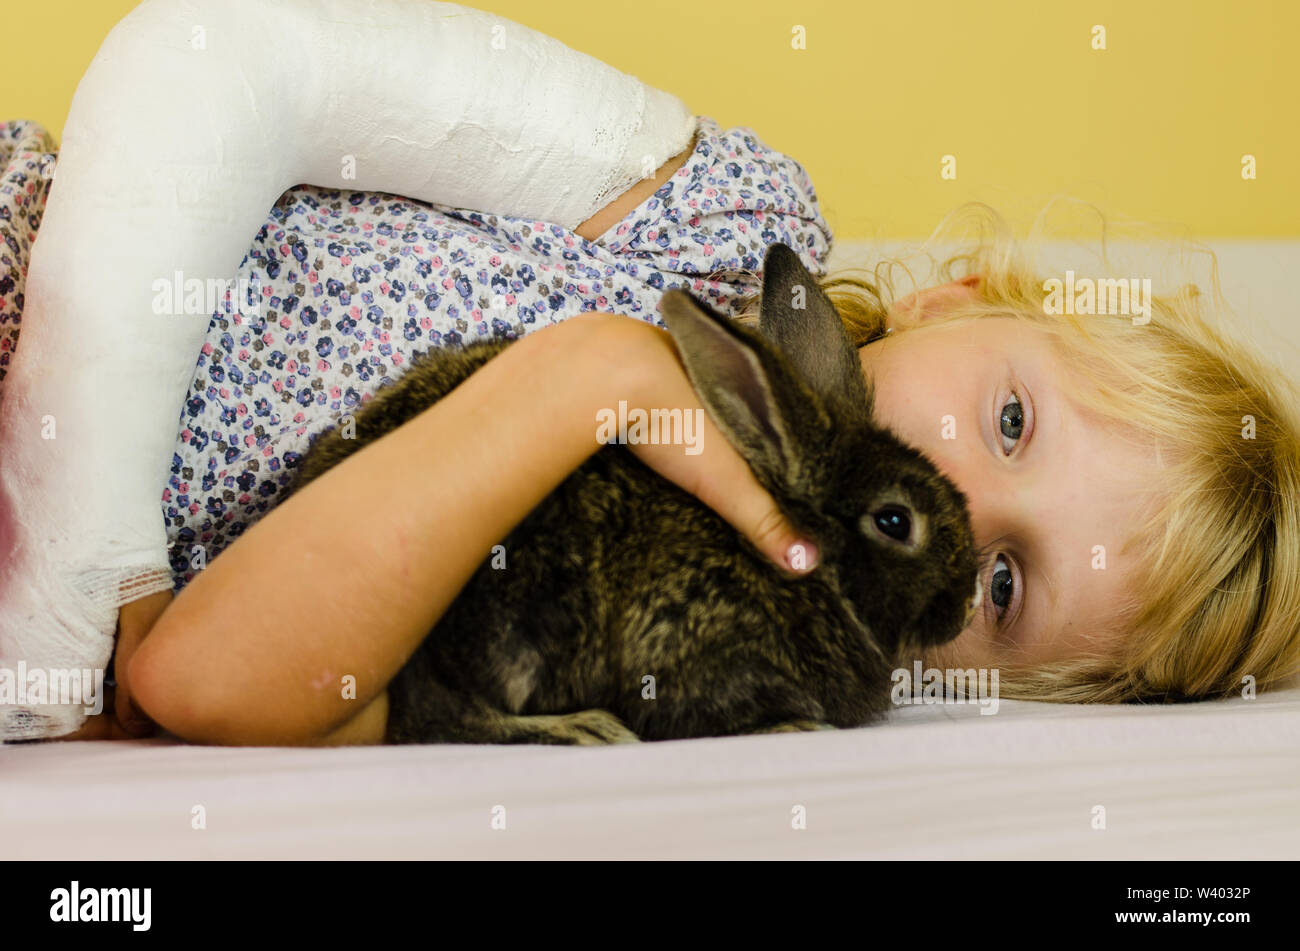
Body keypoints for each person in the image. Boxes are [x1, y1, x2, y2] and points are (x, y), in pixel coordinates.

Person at [6, 3, 1298, 746]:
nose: (950, 493)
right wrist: (86, 562)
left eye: (1003, 582)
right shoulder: (718, 219)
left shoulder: (692, 657)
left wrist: (577, 391)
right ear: (959, 295)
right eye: (1008, 418)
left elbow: (199, 681)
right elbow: (221, 58)